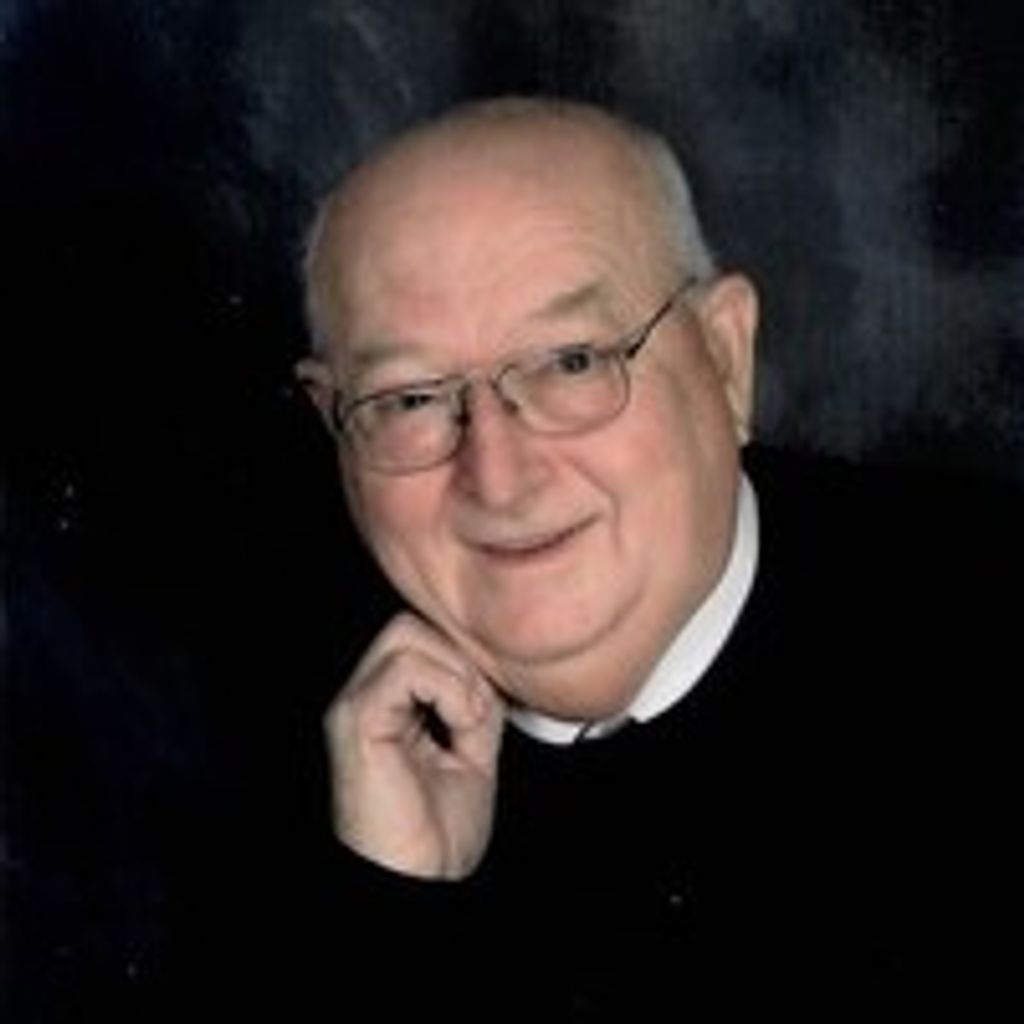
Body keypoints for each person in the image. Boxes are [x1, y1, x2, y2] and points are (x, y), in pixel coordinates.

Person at [284, 97, 1016, 1018]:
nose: (498, 479)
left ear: (724, 356)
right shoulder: (246, 734)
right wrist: (393, 915)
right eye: (410, 400)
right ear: (332, 421)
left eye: (572, 362)